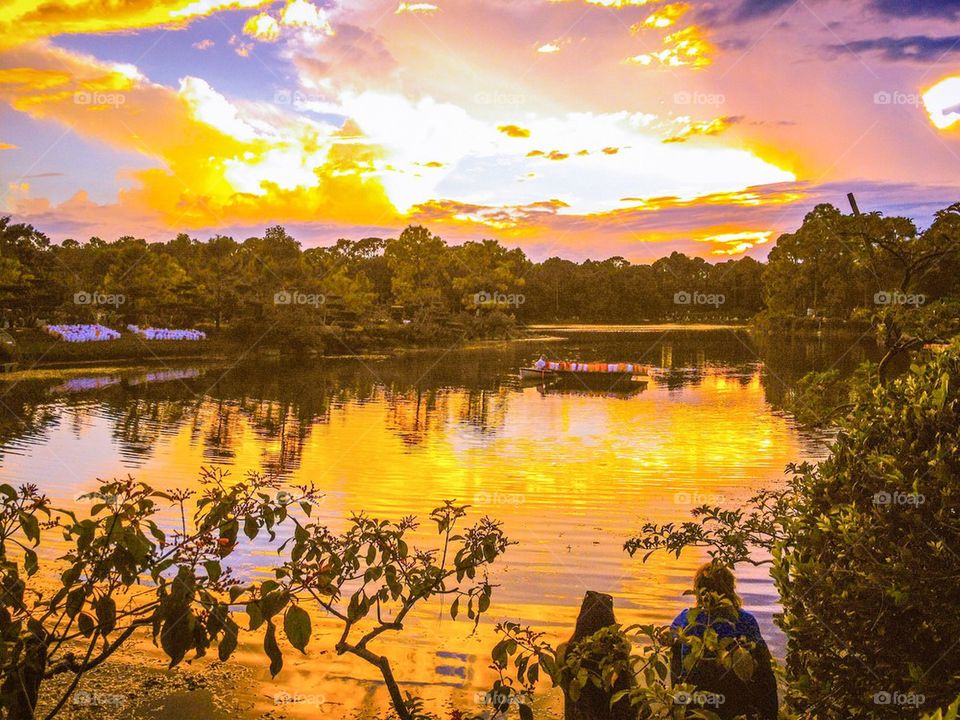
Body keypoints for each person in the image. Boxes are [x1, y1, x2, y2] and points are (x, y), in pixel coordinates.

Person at [670, 562, 778, 720]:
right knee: (760, 660)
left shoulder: (686, 618)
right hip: (735, 703)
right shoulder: (745, 620)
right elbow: (764, 673)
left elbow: (671, 640)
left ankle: (677, 709)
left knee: (676, 648)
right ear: (730, 590)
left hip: (695, 702)